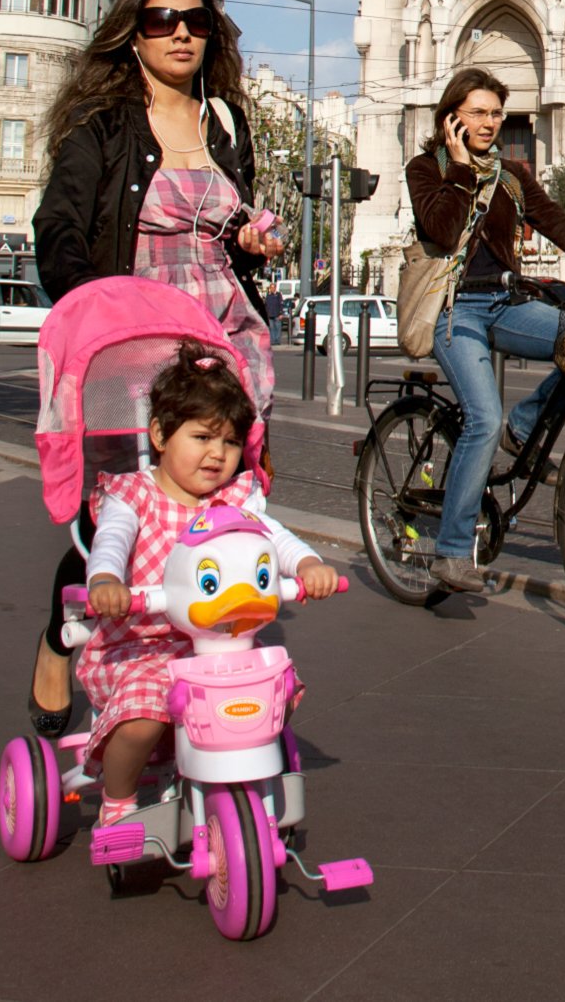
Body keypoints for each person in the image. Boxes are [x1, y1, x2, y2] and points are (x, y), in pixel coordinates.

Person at [27, 0, 284, 740]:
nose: (180, 33)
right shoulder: (102, 125)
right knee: (124, 508)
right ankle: (58, 638)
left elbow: (230, 233)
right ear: (132, 35)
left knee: (220, 502)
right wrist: (93, 311)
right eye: (161, 20)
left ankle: (197, 661)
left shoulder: (227, 123)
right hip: (131, 336)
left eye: (196, 22)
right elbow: (60, 227)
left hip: (220, 334)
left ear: (213, 37)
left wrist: (251, 241)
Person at [75, 341, 338, 828]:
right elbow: (111, 540)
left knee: (269, 696)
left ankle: (253, 784)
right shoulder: (135, 496)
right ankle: (119, 803)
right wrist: (107, 579)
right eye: (202, 438)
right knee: (143, 717)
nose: (218, 455)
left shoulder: (233, 497)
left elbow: (272, 536)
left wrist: (305, 564)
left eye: (231, 442)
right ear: (159, 434)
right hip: (142, 644)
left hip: (218, 644)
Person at [405, 66, 565, 593]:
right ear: (452, 117)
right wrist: (458, 168)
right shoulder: (425, 169)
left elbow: (560, 223)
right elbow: (442, 228)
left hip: (503, 301)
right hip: (453, 311)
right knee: (481, 417)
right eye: (479, 112)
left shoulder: (513, 174)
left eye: (497, 113)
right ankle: (452, 553)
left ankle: (523, 426)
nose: (491, 122)